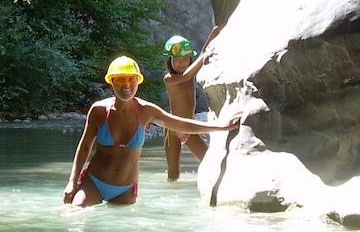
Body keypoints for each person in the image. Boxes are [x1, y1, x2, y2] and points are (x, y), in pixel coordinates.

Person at [63, 55, 238, 207]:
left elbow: (181, 124)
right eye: (121, 80)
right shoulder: (99, 110)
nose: (127, 85)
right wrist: (72, 182)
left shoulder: (146, 111)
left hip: (124, 189)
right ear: (111, 82)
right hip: (94, 183)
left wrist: (221, 126)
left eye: (131, 79)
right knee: (75, 216)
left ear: (138, 81)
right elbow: (84, 148)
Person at [162, 25, 223, 181]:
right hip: (173, 129)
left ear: (190, 59)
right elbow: (187, 77)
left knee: (211, 162)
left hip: (189, 127)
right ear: (170, 60)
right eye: (177, 60)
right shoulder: (169, 78)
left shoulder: (189, 71)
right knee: (173, 175)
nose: (181, 63)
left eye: (185, 59)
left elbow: (203, 52)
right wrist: (204, 55)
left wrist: (215, 31)